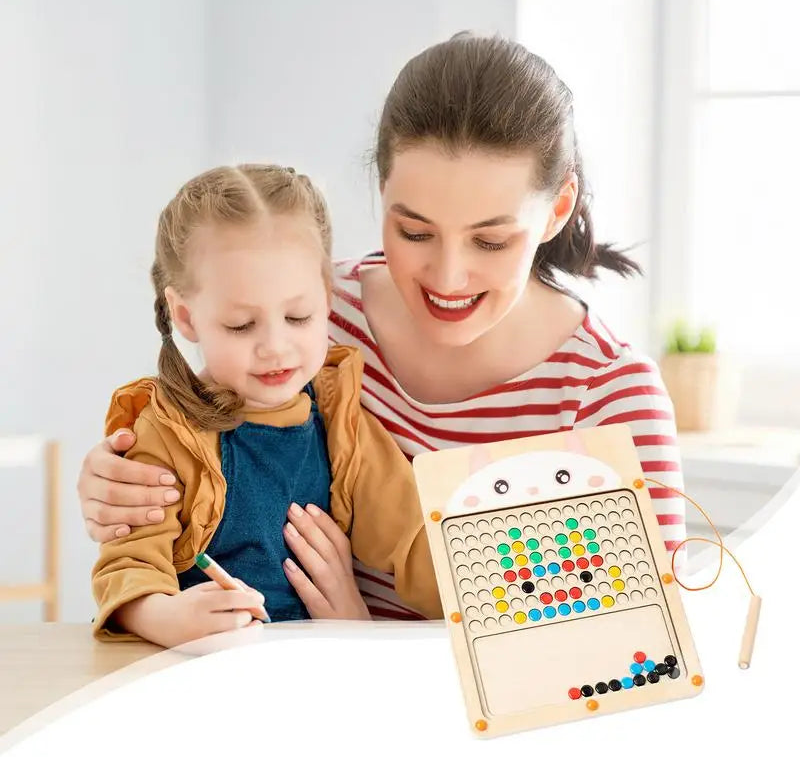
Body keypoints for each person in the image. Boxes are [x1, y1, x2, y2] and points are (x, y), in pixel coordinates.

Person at [79, 33, 686, 622]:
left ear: (557, 209)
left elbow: (624, 661)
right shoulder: (310, 317)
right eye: (415, 232)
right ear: (382, 191)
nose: (448, 277)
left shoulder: (609, 395)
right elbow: (189, 446)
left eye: (491, 240)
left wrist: (356, 634)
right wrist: (120, 486)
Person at [91, 163, 441, 647]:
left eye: (299, 316)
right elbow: (128, 563)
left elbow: (415, 544)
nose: (275, 347)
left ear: (327, 297)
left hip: (314, 670)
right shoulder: (168, 430)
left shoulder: (343, 424)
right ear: (186, 317)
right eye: (241, 325)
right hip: (199, 677)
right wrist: (165, 617)